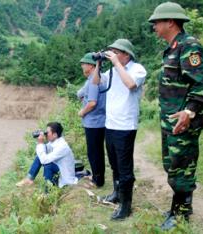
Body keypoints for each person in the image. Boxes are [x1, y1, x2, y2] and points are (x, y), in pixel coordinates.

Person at [148, 2, 203, 230]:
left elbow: (202, 85)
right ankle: (183, 205)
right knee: (172, 166)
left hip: (184, 123)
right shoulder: (172, 48)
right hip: (170, 123)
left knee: (181, 169)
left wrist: (189, 111)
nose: (154, 26)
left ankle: (180, 215)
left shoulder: (189, 47)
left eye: (157, 22)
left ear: (170, 22)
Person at [93, 39, 147, 220]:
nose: (113, 55)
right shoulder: (112, 70)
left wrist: (116, 64)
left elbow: (131, 84)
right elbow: (96, 82)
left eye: (116, 52)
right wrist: (98, 64)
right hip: (110, 124)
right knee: (114, 163)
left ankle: (126, 205)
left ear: (126, 54)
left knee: (125, 168)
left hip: (125, 126)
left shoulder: (137, 69)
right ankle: (117, 193)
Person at [16, 122, 78, 188]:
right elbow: (43, 152)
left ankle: (47, 191)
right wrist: (41, 141)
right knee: (40, 157)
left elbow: (44, 160)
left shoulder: (62, 147)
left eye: (47, 133)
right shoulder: (55, 141)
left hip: (65, 178)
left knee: (48, 165)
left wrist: (40, 143)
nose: (46, 134)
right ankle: (29, 179)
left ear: (54, 135)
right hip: (59, 170)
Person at [77, 53, 106, 187]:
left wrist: (82, 112)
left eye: (84, 64)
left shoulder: (94, 80)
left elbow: (92, 103)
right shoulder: (100, 77)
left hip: (94, 122)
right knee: (97, 151)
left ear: (91, 65)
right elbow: (83, 94)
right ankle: (97, 176)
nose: (82, 66)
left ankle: (97, 180)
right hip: (100, 121)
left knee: (94, 152)